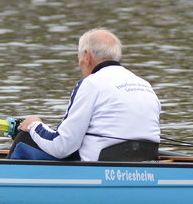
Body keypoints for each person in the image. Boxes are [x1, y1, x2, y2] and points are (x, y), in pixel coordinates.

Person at [10, 28, 161, 162]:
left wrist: (33, 125)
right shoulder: (144, 84)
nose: (79, 63)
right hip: (144, 161)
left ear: (87, 56)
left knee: (24, 139)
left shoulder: (91, 83)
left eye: (79, 57)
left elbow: (62, 147)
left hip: (100, 166)